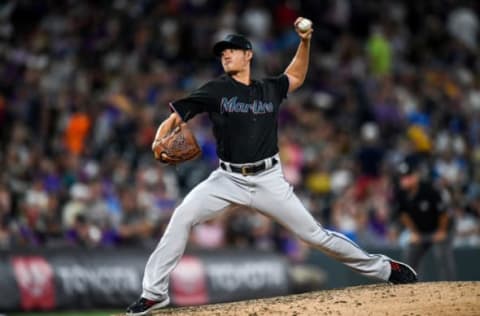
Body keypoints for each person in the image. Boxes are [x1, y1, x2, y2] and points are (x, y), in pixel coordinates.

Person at [126, 18, 417, 316]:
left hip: (268, 179)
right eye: (223, 52)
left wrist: (305, 42)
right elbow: (178, 115)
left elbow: (296, 76)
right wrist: (160, 135)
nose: (226, 55)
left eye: (232, 50)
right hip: (227, 178)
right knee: (182, 216)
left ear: (248, 55)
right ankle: (153, 293)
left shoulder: (269, 88)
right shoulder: (215, 90)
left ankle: (386, 269)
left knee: (315, 236)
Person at [396, 157, 456, 280]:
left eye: (407, 176)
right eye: (402, 177)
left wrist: (441, 231)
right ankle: (411, 286)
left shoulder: (429, 189)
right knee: (410, 254)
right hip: (421, 231)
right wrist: (414, 233)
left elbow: (443, 213)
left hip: (441, 227)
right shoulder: (401, 193)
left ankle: (451, 286)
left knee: (442, 255)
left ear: (415, 176)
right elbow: (403, 216)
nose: (404, 180)